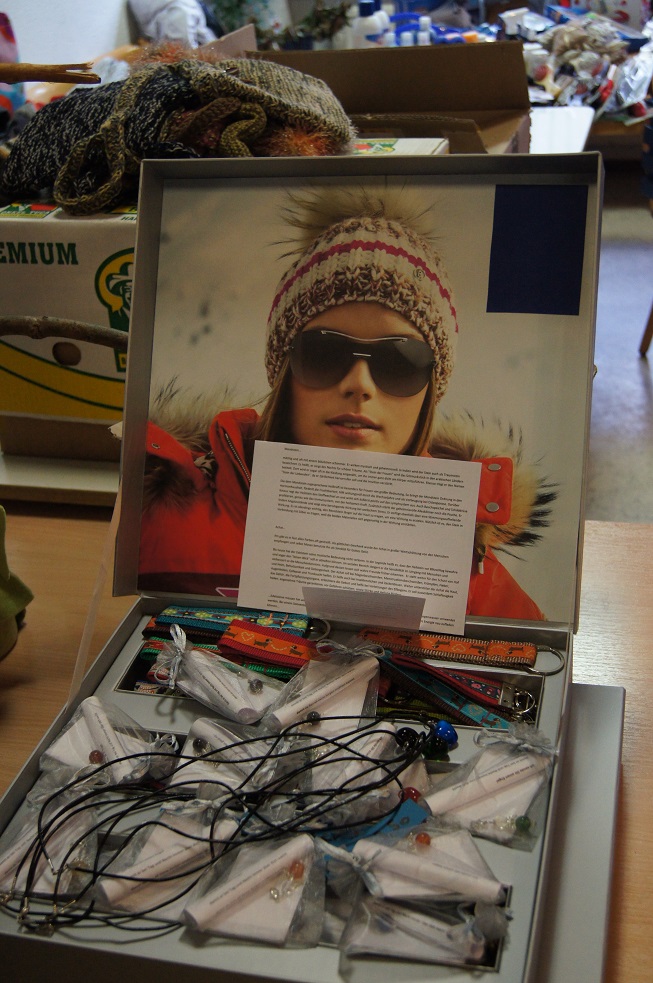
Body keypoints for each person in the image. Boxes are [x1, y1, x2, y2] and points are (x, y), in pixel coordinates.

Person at [138, 186, 551, 620]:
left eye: (400, 362)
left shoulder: (473, 575)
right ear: (284, 371)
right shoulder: (158, 513)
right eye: (324, 353)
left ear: (431, 388)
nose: (359, 384)